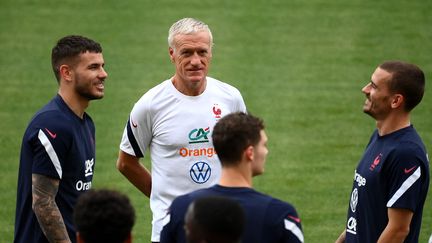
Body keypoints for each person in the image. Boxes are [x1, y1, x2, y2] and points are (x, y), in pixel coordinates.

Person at [116, 17, 246, 242]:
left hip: (222, 227)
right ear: (171, 54)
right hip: (171, 229)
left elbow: (244, 156)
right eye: (187, 53)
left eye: (202, 52)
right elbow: (126, 162)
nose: (196, 61)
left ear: (211, 53)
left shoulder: (230, 98)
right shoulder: (150, 105)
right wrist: (163, 198)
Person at [14, 35, 108, 243]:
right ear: (66, 72)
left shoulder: (85, 123)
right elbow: (43, 203)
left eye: (102, 66)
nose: (103, 74)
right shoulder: (53, 124)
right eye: (93, 67)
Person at [160, 112, 304, 243]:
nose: (266, 151)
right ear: (250, 153)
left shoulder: (180, 209)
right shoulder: (280, 215)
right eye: (264, 145)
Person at [335, 61, 430, 243]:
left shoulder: (406, 154)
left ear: (396, 101)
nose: (365, 89)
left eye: (374, 86)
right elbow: (362, 215)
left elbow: (398, 230)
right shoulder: (379, 138)